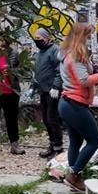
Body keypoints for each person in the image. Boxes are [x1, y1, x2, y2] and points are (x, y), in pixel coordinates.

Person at [58, 23, 98, 192]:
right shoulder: (75, 56)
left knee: (75, 142)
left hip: (68, 102)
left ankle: (73, 180)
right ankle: (74, 174)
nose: (89, 39)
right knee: (94, 140)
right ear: (80, 36)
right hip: (74, 104)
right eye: (87, 35)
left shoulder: (65, 54)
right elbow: (83, 80)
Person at [33, 28, 64, 159]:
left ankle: (58, 147)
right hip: (43, 90)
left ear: (47, 39)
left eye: (40, 39)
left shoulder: (54, 50)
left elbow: (59, 69)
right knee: (46, 119)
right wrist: (34, 86)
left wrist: (56, 86)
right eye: (36, 40)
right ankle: (51, 145)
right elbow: (39, 71)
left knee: (52, 119)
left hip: (52, 91)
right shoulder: (40, 52)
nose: (37, 42)